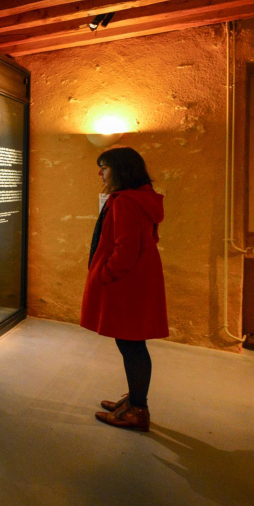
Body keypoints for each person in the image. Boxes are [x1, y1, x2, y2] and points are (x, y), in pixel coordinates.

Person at [80, 147, 168, 432]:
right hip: (137, 279)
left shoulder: (125, 202)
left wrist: (105, 275)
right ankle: (134, 400)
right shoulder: (138, 198)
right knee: (131, 343)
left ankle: (138, 409)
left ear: (121, 170)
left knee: (131, 344)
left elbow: (126, 249)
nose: (99, 173)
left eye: (104, 167)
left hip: (126, 283)